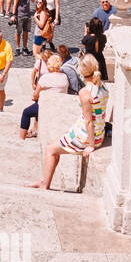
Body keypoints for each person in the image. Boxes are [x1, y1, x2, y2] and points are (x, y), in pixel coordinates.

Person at [30, 54, 108, 190]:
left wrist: (91, 145)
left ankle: (44, 184)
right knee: (54, 145)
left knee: (50, 149)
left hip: (86, 137)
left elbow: (89, 122)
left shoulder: (85, 92)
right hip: (99, 133)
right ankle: (44, 181)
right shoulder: (103, 88)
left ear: (82, 71)